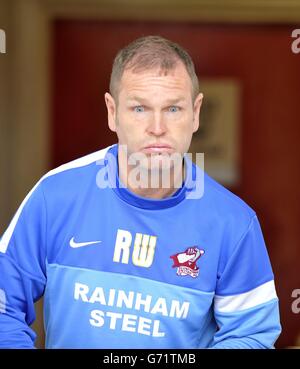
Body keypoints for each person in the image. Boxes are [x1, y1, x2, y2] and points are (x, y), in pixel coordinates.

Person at [0, 35, 281, 348]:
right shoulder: (56, 195)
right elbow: (4, 304)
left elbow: (251, 335)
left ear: (196, 113)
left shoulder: (234, 223)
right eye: (139, 109)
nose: (157, 127)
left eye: (173, 109)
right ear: (112, 111)